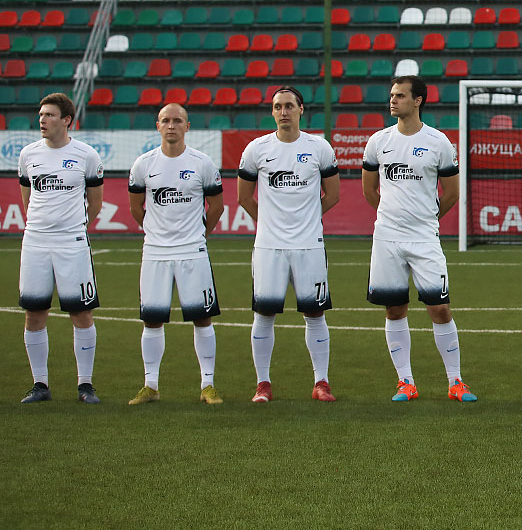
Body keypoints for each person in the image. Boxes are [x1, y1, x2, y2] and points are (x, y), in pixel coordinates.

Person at [362, 76, 476, 403]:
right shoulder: (378, 141)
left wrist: (426, 219)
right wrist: (393, 218)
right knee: (394, 309)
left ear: (418, 100)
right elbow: (369, 189)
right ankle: (405, 382)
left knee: (439, 308)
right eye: (392, 95)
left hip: (424, 238)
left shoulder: (439, 142)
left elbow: (451, 192)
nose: (393, 100)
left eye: (400, 95)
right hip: (387, 238)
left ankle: (455, 382)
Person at [237, 86, 340, 403]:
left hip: (310, 246)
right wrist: (270, 223)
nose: (283, 112)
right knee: (264, 315)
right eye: (278, 106)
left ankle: (321, 382)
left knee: (315, 314)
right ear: (272, 112)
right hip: (269, 247)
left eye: (289, 106)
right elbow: (244, 197)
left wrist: (308, 220)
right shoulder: (256, 149)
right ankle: (263, 384)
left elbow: (333, 195)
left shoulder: (319, 147)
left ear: (301, 109)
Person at [126, 104, 226, 405]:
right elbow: (135, 207)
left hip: (192, 251)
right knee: (152, 320)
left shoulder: (202, 163)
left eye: (177, 120)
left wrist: (199, 235)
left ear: (187, 126)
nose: (172, 125)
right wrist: (155, 233)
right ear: (158, 125)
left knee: (202, 318)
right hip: (155, 252)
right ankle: (150, 386)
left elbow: (217, 206)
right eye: (166, 120)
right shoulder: (143, 164)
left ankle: (208, 385)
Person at [17, 93, 105, 404]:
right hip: (35, 242)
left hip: (72, 243)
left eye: (50, 115)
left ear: (66, 120)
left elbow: (95, 204)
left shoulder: (86, 155)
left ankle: (85, 385)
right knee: (34, 313)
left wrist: (73, 227)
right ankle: (40, 385)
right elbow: (27, 198)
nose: (42, 119)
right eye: (41, 114)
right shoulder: (28, 154)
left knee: (81, 312)